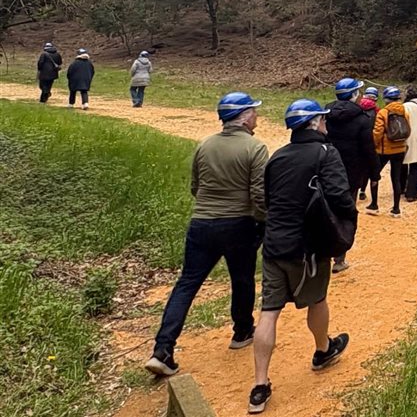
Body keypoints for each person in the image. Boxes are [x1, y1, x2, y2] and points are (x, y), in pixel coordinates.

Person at [146, 92, 268, 378]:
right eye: (254, 111)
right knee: (241, 278)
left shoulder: (205, 145)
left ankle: (163, 349)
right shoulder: (255, 147)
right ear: (245, 116)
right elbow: (260, 195)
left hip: (201, 222)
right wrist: (262, 222)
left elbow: (195, 187)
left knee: (187, 283)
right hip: (239, 222)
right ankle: (241, 332)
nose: (257, 116)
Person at [250, 99, 354, 414]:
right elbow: (339, 195)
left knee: (268, 312)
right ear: (313, 123)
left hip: (273, 245)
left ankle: (259, 385)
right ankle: (323, 350)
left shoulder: (278, 156)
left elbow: (269, 200)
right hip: (307, 247)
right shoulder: (326, 153)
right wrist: (346, 224)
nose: (325, 123)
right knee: (317, 299)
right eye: (322, 119)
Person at [323, 77, 376, 273]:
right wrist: (374, 172)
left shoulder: (325, 114)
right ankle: (339, 258)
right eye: (358, 92)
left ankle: (322, 252)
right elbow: (368, 148)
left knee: (325, 209)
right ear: (353, 95)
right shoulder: (363, 119)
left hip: (327, 170)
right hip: (352, 174)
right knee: (346, 212)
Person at [370, 85, 408, 217]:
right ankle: (396, 209)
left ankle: (374, 205)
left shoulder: (383, 113)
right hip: (400, 149)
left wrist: (373, 145)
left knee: (374, 175)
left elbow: (378, 132)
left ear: (386, 98)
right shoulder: (405, 111)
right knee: (396, 178)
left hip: (383, 150)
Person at [357, 87, 380, 202]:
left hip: (357, 140)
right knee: (366, 168)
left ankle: (354, 189)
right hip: (369, 140)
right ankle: (362, 191)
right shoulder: (377, 110)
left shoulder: (357, 107)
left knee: (357, 166)